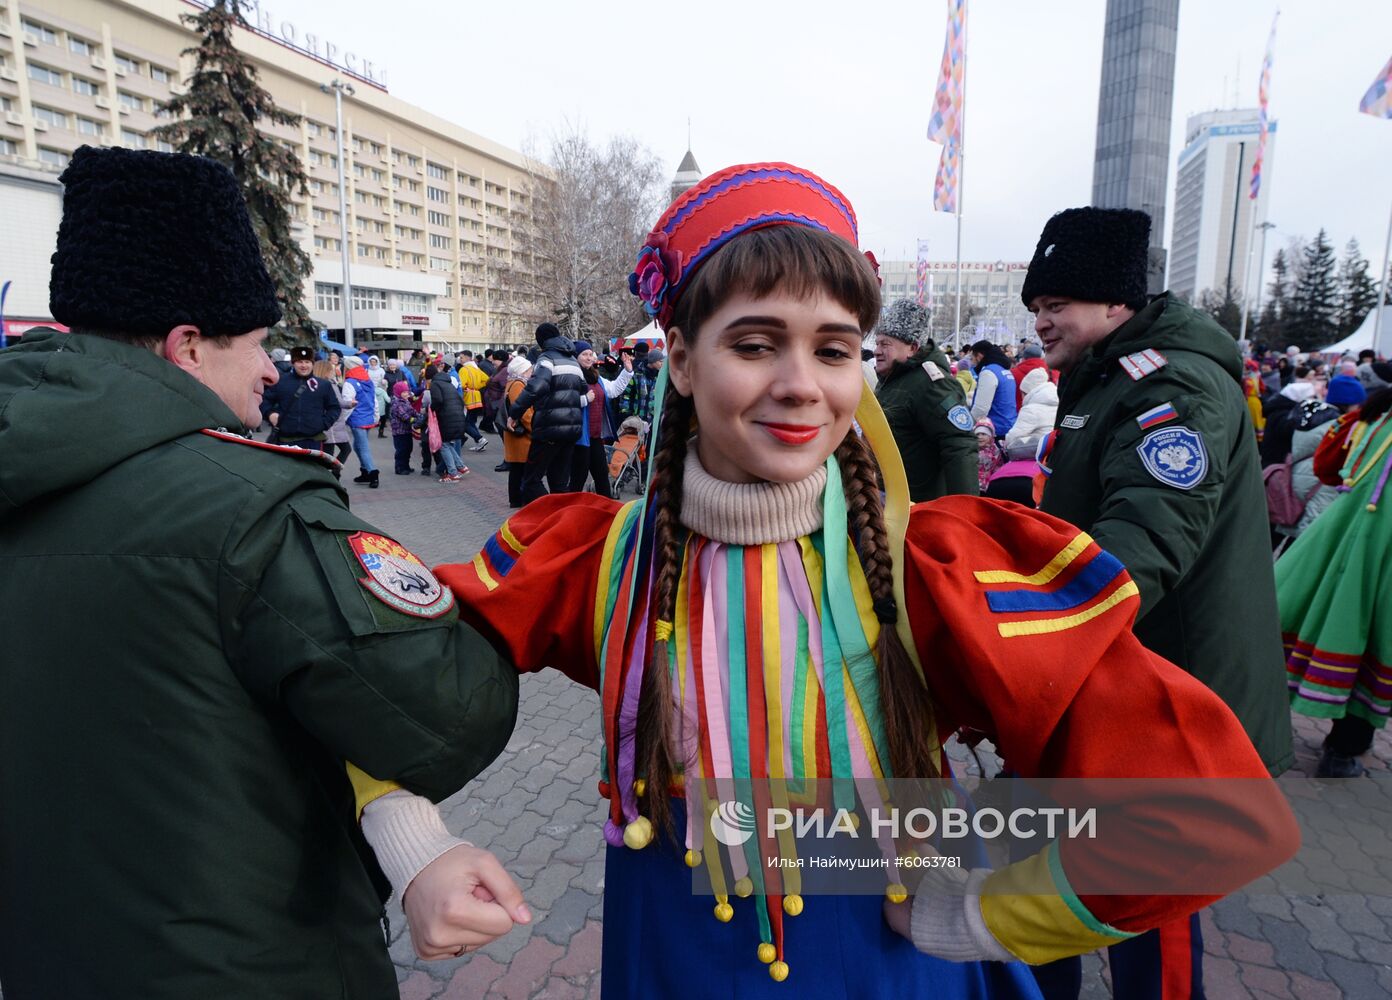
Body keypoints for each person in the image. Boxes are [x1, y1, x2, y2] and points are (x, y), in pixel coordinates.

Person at [357, 162, 1297, 999]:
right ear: (681, 359)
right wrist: (416, 848)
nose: (804, 383)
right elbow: (364, 671)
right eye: (757, 343)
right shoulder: (593, 559)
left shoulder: (936, 570)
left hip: (884, 960)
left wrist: (983, 911)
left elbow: (1206, 806)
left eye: (836, 348)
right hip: (671, 956)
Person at [0, 146, 526, 999]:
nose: (272, 368)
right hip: (250, 963)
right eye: (252, 343)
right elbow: (446, 711)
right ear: (186, 346)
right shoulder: (248, 506)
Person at [1023, 205, 1293, 1000]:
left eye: (1056, 304)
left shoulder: (1172, 387)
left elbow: (1140, 551)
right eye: (1037, 306)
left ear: (1116, 303)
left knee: (1149, 903)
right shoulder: (1107, 374)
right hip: (1112, 677)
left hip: (1171, 696)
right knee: (1061, 865)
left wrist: (1021, 640)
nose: (1041, 321)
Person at [1277, 384, 1392, 776]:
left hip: (1339, 534)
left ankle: (1262, 726)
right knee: (1375, 638)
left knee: (1310, 618)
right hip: (1380, 550)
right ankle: (1344, 749)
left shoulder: (1370, 416)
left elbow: (1328, 469)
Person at [872, 299, 978, 501]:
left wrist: (966, 509)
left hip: (918, 506)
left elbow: (959, 444)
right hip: (891, 500)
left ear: (912, 348)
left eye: (885, 344)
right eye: (877, 343)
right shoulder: (893, 379)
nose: (877, 350)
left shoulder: (931, 383)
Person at [508, 322, 586, 503]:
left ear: (541, 341)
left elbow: (536, 388)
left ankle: (549, 515)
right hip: (572, 429)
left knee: (531, 480)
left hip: (549, 429)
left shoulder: (546, 359)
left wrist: (515, 412)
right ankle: (562, 522)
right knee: (559, 483)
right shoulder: (572, 360)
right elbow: (582, 387)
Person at [571, 338, 635, 496]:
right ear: (576, 357)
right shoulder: (573, 376)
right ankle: (569, 509)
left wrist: (627, 371)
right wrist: (585, 399)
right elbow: (565, 401)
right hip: (580, 437)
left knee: (601, 476)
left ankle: (607, 512)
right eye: (583, 354)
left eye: (589, 354)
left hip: (596, 436)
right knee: (578, 479)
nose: (588, 357)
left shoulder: (597, 377)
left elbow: (613, 390)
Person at [261, 344, 342, 450]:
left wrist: (323, 424)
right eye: (300, 362)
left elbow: (334, 408)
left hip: (313, 441)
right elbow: (264, 401)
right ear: (293, 363)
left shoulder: (323, 385)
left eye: (307, 362)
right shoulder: (281, 382)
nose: (304, 365)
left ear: (312, 364)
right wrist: (270, 414)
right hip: (285, 440)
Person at [422, 362, 470, 483]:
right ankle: (461, 466)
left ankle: (453, 473)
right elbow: (459, 399)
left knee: (443, 445)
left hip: (446, 418)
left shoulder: (435, 384)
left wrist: (432, 410)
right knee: (448, 443)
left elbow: (438, 400)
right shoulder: (447, 383)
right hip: (457, 416)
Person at [341, 356, 380, 488]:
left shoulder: (349, 382)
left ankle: (373, 473)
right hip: (368, 416)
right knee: (358, 446)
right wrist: (376, 416)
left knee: (362, 447)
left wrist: (342, 419)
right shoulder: (367, 379)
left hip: (357, 418)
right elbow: (374, 399)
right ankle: (365, 472)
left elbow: (348, 403)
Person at [502, 355, 535, 507]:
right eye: (529, 369)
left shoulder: (512, 383)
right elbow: (522, 411)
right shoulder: (518, 385)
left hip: (516, 433)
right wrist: (534, 428)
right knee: (519, 469)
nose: (532, 371)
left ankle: (516, 499)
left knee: (517, 469)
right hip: (520, 435)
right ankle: (517, 500)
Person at [968, 340, 1018, 438]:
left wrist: (967, 426)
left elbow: (981, 408)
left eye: (972, 358)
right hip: (1008, 424)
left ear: (979, 356)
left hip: (994, 429)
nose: (971, 362)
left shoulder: (988, 373)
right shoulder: (1004, 370)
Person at [319, 358, 354, 465]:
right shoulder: (329, 384)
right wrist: (350, 403)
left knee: (329, 452)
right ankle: (333, 474)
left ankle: (331, 474)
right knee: (342, 450)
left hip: (329, 422)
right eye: (331, 370)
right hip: (333, 423)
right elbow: (337, 402)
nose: (333, 372)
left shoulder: (318, 383)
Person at [457, 352, 491, 452]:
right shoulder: (476, 368)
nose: (460, 359)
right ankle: (480, 443)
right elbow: (487, 379)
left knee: (465, 423)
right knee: (471, 422)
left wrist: (468, 388)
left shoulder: (464, 369)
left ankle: (480, 439)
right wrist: (476, 388)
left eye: (462, 357)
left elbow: (461, 385)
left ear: (467, 358)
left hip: (468, 398)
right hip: (477, 397)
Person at [388, 379, 418, 474]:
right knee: (401, 450)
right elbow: (404, 415)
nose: (406, 394)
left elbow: (412, 411)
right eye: (404, 392)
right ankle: (399, 468)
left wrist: (418, 415)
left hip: (407, 431)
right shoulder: (396, 403)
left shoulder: (406, 401)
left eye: (407, 392)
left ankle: (406, 466)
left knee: (408, 449)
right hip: (399, 432)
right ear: (398, 392)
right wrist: (413, 420)